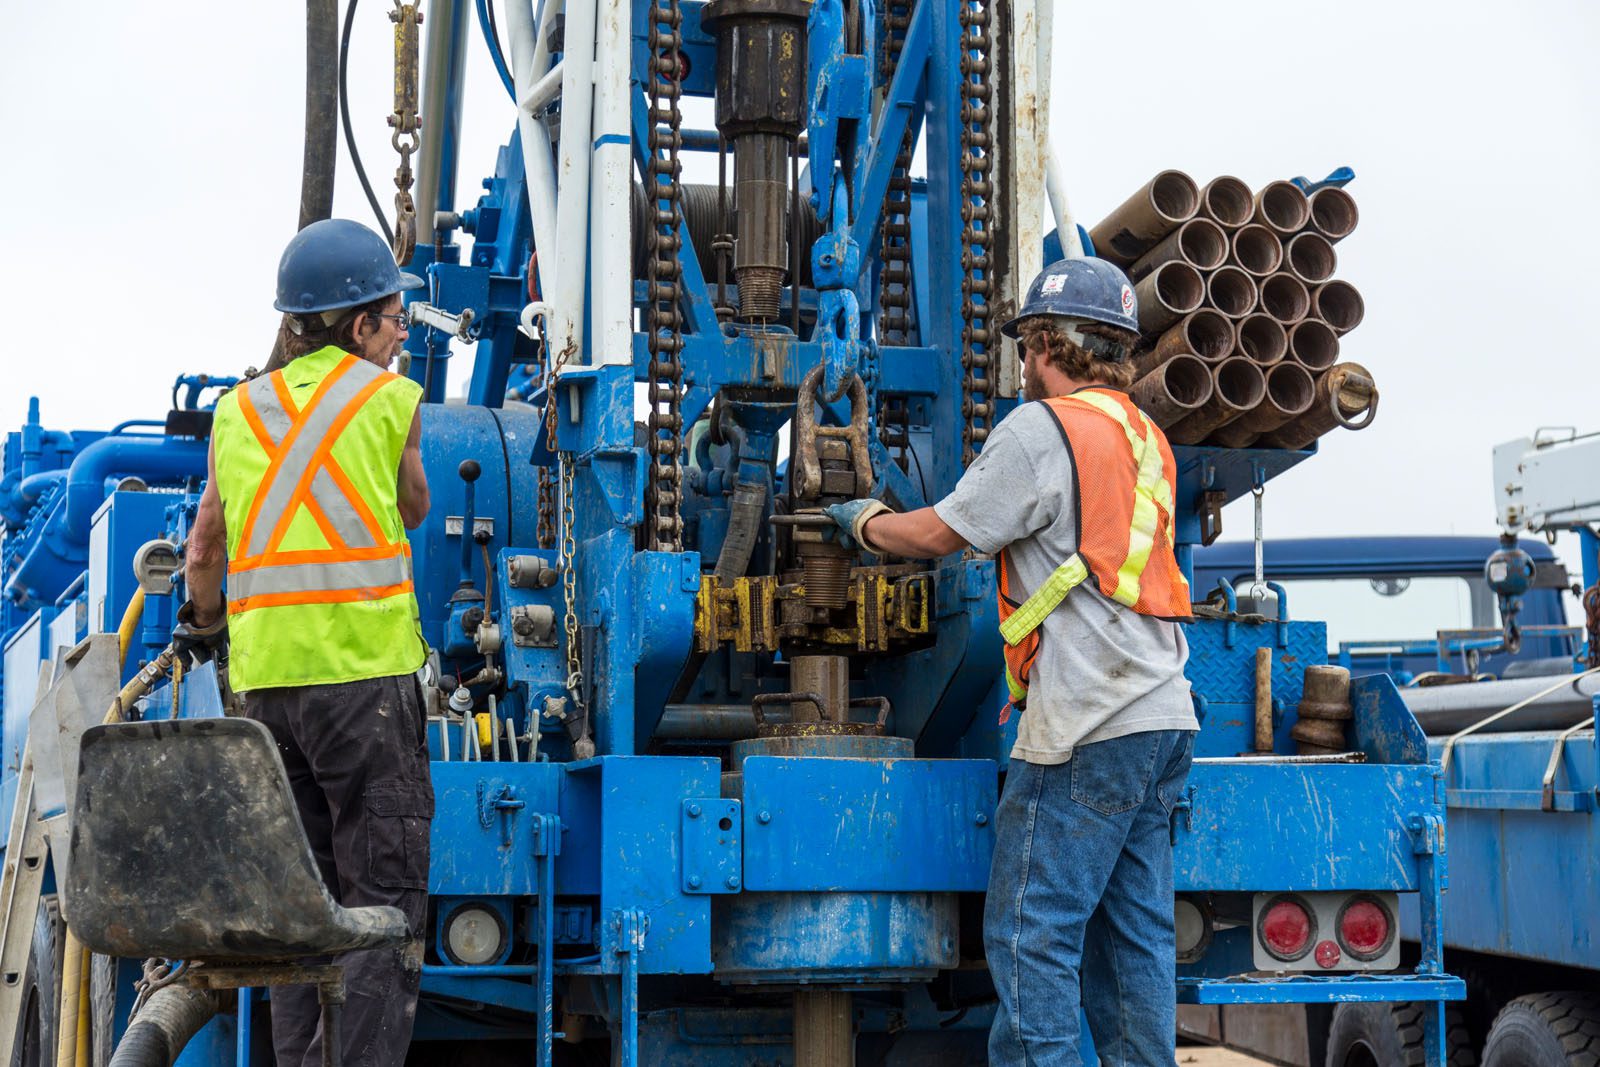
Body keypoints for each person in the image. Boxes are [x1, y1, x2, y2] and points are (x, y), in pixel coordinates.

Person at [825, 256, 1198, 1067]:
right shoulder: (1146, 438)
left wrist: (863, 524)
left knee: (1031, 932)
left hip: (1086, 721)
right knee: (1132, 938)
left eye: (1029, 347)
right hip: (1163, 714)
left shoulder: (1043, 429)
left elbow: (938, 535)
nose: (1024, 364)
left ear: (1050, 344)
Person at [177, 218, 434, 1067]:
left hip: (265, 696)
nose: (400, 337)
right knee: (381, 904)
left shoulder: (236, 412)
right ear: (358, 324)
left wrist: (203, 626)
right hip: (364, 687)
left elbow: (206, 543)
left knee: (301, 907)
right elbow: (416, 508)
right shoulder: (389, 403)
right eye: (394, 320)